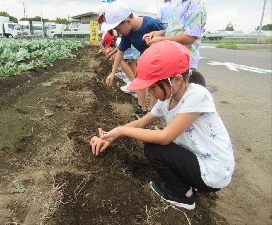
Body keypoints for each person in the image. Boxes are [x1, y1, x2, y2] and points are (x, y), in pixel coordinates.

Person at [90, 40, 235, 210]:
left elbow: (165, 137)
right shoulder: (166, 99)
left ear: (176, 80)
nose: (150, 92)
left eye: (152, 87)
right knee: (156, 142)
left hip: (213, 170)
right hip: (199, 161)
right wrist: (112, 134)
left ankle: (184, 195)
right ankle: (188, 182)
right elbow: (141, 122)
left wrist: (123, 131)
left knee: (154, 148)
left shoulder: (196, 95)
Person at [102, 0, 166, 118]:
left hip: (160, 61)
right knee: (139, 80)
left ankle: (152, 112)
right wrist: (112, 73)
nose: (118, 33)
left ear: (128, 21)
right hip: (145, 61)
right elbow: (120, 53)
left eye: (118, 29)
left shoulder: (151, 24)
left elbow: (168, 39)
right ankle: (142, 107)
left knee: (156, 83)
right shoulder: (128, 34)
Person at [144, 0, 207, 70]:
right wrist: (160, 33)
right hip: (173, 58)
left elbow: (190, 38)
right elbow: (176, 30)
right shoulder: (181, 4)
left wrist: (161, 40)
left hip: (184, 61)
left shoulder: (195, 4)